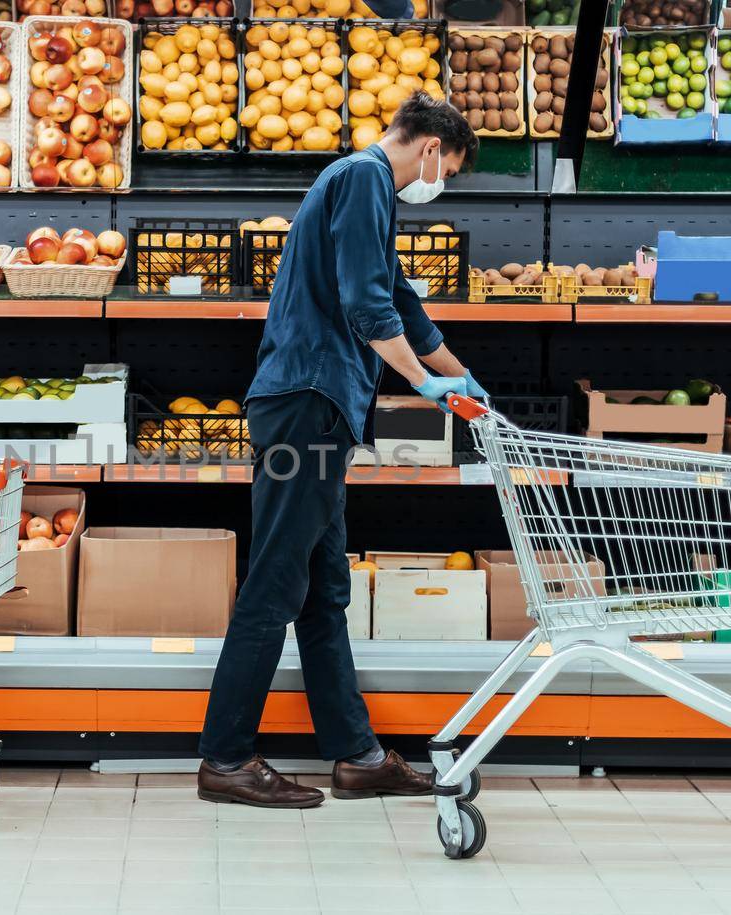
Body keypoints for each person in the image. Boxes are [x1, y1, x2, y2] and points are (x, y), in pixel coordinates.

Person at [198, 93, 484, 808]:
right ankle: (225, 759)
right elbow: (367, 305)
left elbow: (402, 303)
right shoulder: (362, 178)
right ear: (428, 150)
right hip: (306, 406)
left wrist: (462, 378)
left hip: (317, 408)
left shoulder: (363, 192)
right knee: (275, 582)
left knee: (324, 590)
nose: (438, 182)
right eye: (445, 168)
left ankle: (356, 756)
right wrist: (424, 385)